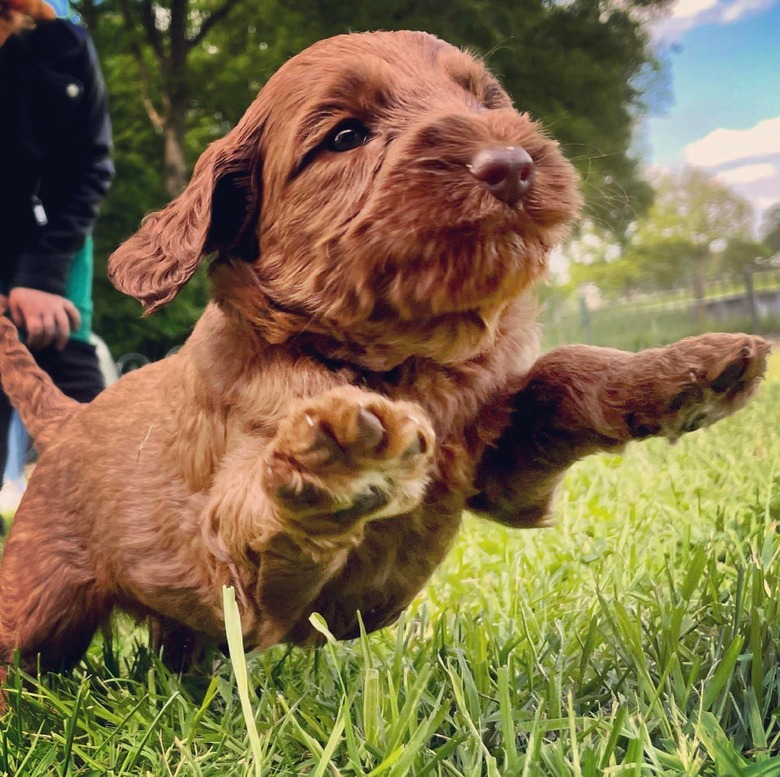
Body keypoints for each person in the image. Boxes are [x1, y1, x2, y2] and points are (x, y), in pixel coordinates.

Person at [0, 0, 113, 520]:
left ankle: (120, 532)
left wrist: (41, 276)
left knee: (81, 413)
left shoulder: (59, 47)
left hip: (51, 254)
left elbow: (88, 165)